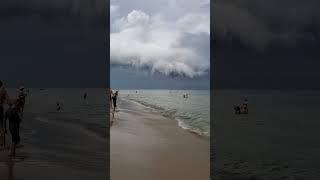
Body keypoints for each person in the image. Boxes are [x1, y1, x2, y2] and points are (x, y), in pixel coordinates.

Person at [0, 81, 9, 147]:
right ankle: (2, 142)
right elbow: (8, 100)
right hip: (0, 108)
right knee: (2, 126)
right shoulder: (3, 90)